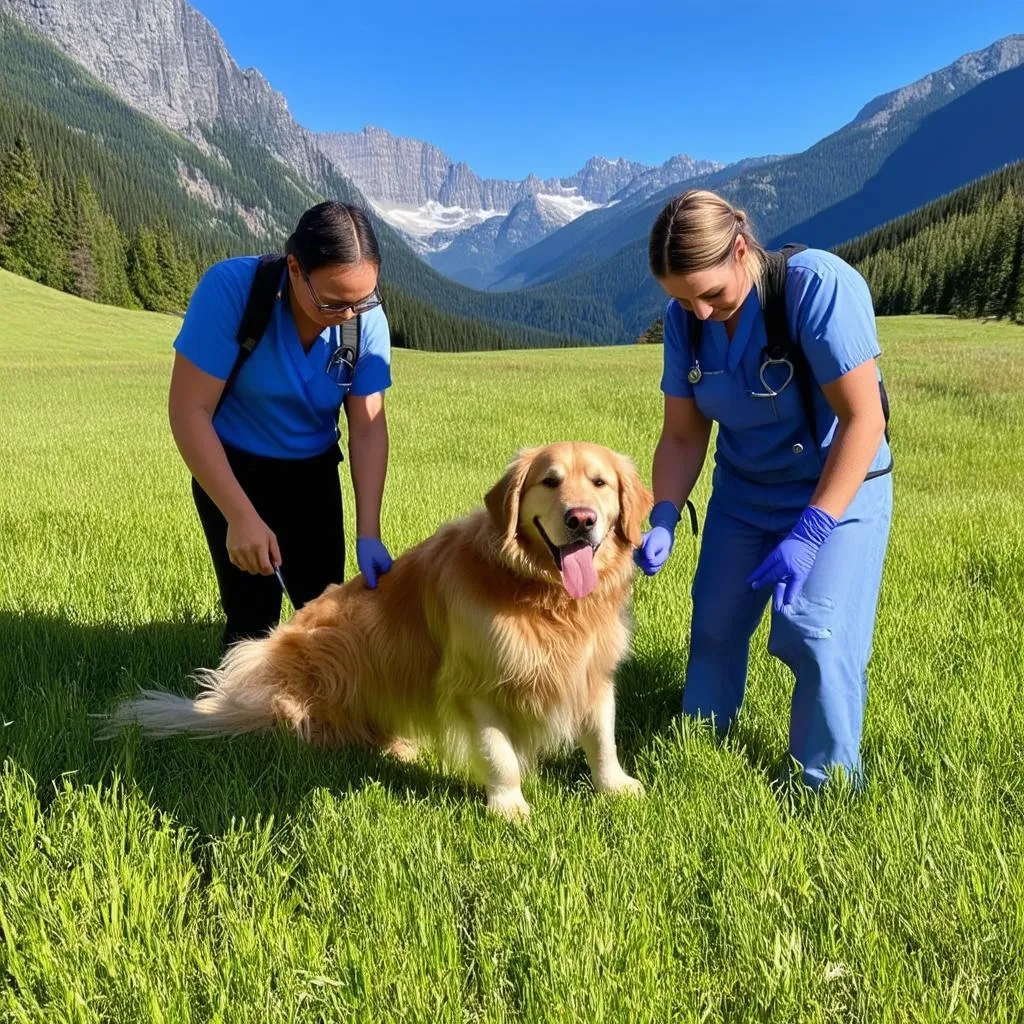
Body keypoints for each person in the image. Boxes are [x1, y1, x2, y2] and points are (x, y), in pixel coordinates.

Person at [634, 188, 893, 791]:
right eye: (681, 299)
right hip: (744, 495)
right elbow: (681, 434)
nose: (699, 312)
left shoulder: (816, 288)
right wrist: (666, 513)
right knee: (715, 625)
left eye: (712, 294)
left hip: (837, 491)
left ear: (742, 250)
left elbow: (864, 421)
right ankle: (698, 758)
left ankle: (822, 787)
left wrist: (812, 530)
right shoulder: (687, 322)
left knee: (817, 635)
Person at [169, 200, 394, 648]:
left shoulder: (364, 320)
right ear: (295, 268)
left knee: (323, 620)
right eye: (334, 302)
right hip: (234, 469)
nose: (350, 315)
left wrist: (369, 532)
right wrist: (239, 516)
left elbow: (367, 428)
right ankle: (245, 711)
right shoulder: (233, 291)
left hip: (313, 473)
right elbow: (188, 411)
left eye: (363, 300)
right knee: (251, 624)